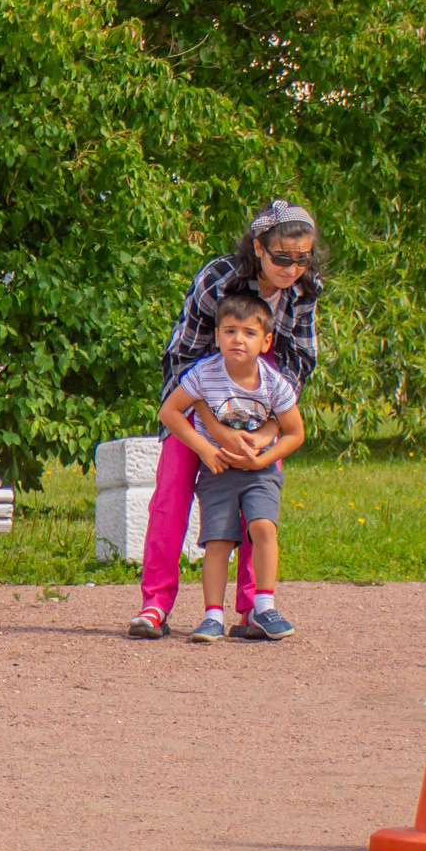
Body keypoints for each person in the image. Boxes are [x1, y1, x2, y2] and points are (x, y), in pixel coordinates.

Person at [129, 200, 324, 640]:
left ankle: (253, 608)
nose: (292, 268)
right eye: (281, 258)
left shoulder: (306, 290)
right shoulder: (216, 281)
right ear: (258, 248)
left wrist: (266, 431)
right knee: (171, 497)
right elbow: (182, 356)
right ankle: (155, 604)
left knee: (258, 500)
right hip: (196, 396)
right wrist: (212, 428)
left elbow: (298, 364)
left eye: (302, 258)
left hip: (264, 400)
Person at [157, 291, 306, 643]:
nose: (238, 339)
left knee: (264, 528)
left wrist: (263, 459)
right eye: (230, 331)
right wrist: (206, 451)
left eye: (249, 333)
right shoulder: (203, 373)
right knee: (218, 542)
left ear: (266, 340)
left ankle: (264, 605)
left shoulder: (274, 383)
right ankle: (212, 616)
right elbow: (169, 412)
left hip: (261, 471)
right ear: (218, 335)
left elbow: (295, 432)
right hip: (219, 470)